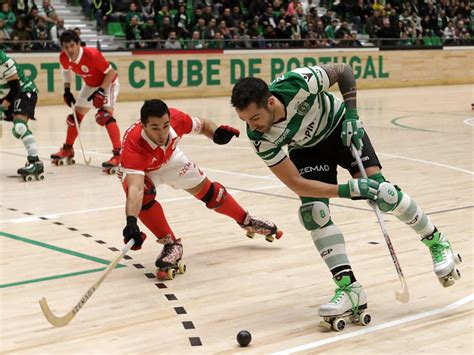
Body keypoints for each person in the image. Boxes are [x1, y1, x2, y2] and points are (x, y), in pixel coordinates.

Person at [230, 64, 461, 324]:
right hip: (307, 150)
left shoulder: (297, 83)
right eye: (245, 120)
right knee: (312, 214)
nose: (252, 126)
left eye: (255, 118)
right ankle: (349, 288)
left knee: (382, 193)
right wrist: (346, 190)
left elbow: (343, 71)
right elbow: (296, 183)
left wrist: (352, 115)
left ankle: (437, 242)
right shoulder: (259, 136)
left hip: (340, 127)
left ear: (270, 102)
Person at [120, 99, 283, 278]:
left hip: (170, 159)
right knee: (143, 198)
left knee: (214, 195)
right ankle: (172, 245)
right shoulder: (133, 146)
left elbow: (204, 124)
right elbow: (136, 189)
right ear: (143, 126)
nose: (162, 133)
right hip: (144, 170)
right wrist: (131, 222)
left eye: (165, 126)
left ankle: (247, 221)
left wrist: (216, 134)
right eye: (155, 128)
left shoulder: (177, 118)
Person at [51, 30, 121, 170]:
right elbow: (66, 71)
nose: (69, 50)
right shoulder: (63, 57)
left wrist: (101, 91)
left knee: (104, 116)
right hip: (90, 84)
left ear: (78, 44)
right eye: (66, 47)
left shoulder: (92, 55)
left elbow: (111, 73)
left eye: (72, 46)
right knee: (74, 119)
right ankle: (68, 149)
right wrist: (67, 90)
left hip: (108, 83)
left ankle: (119, 154)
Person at [0, 50, 43, 180]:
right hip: (7, 94)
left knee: (19, 127)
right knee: (17, 130)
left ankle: (35, 162)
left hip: (24, 91)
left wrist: (2, 108)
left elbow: (15, 88)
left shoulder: (3, 60)